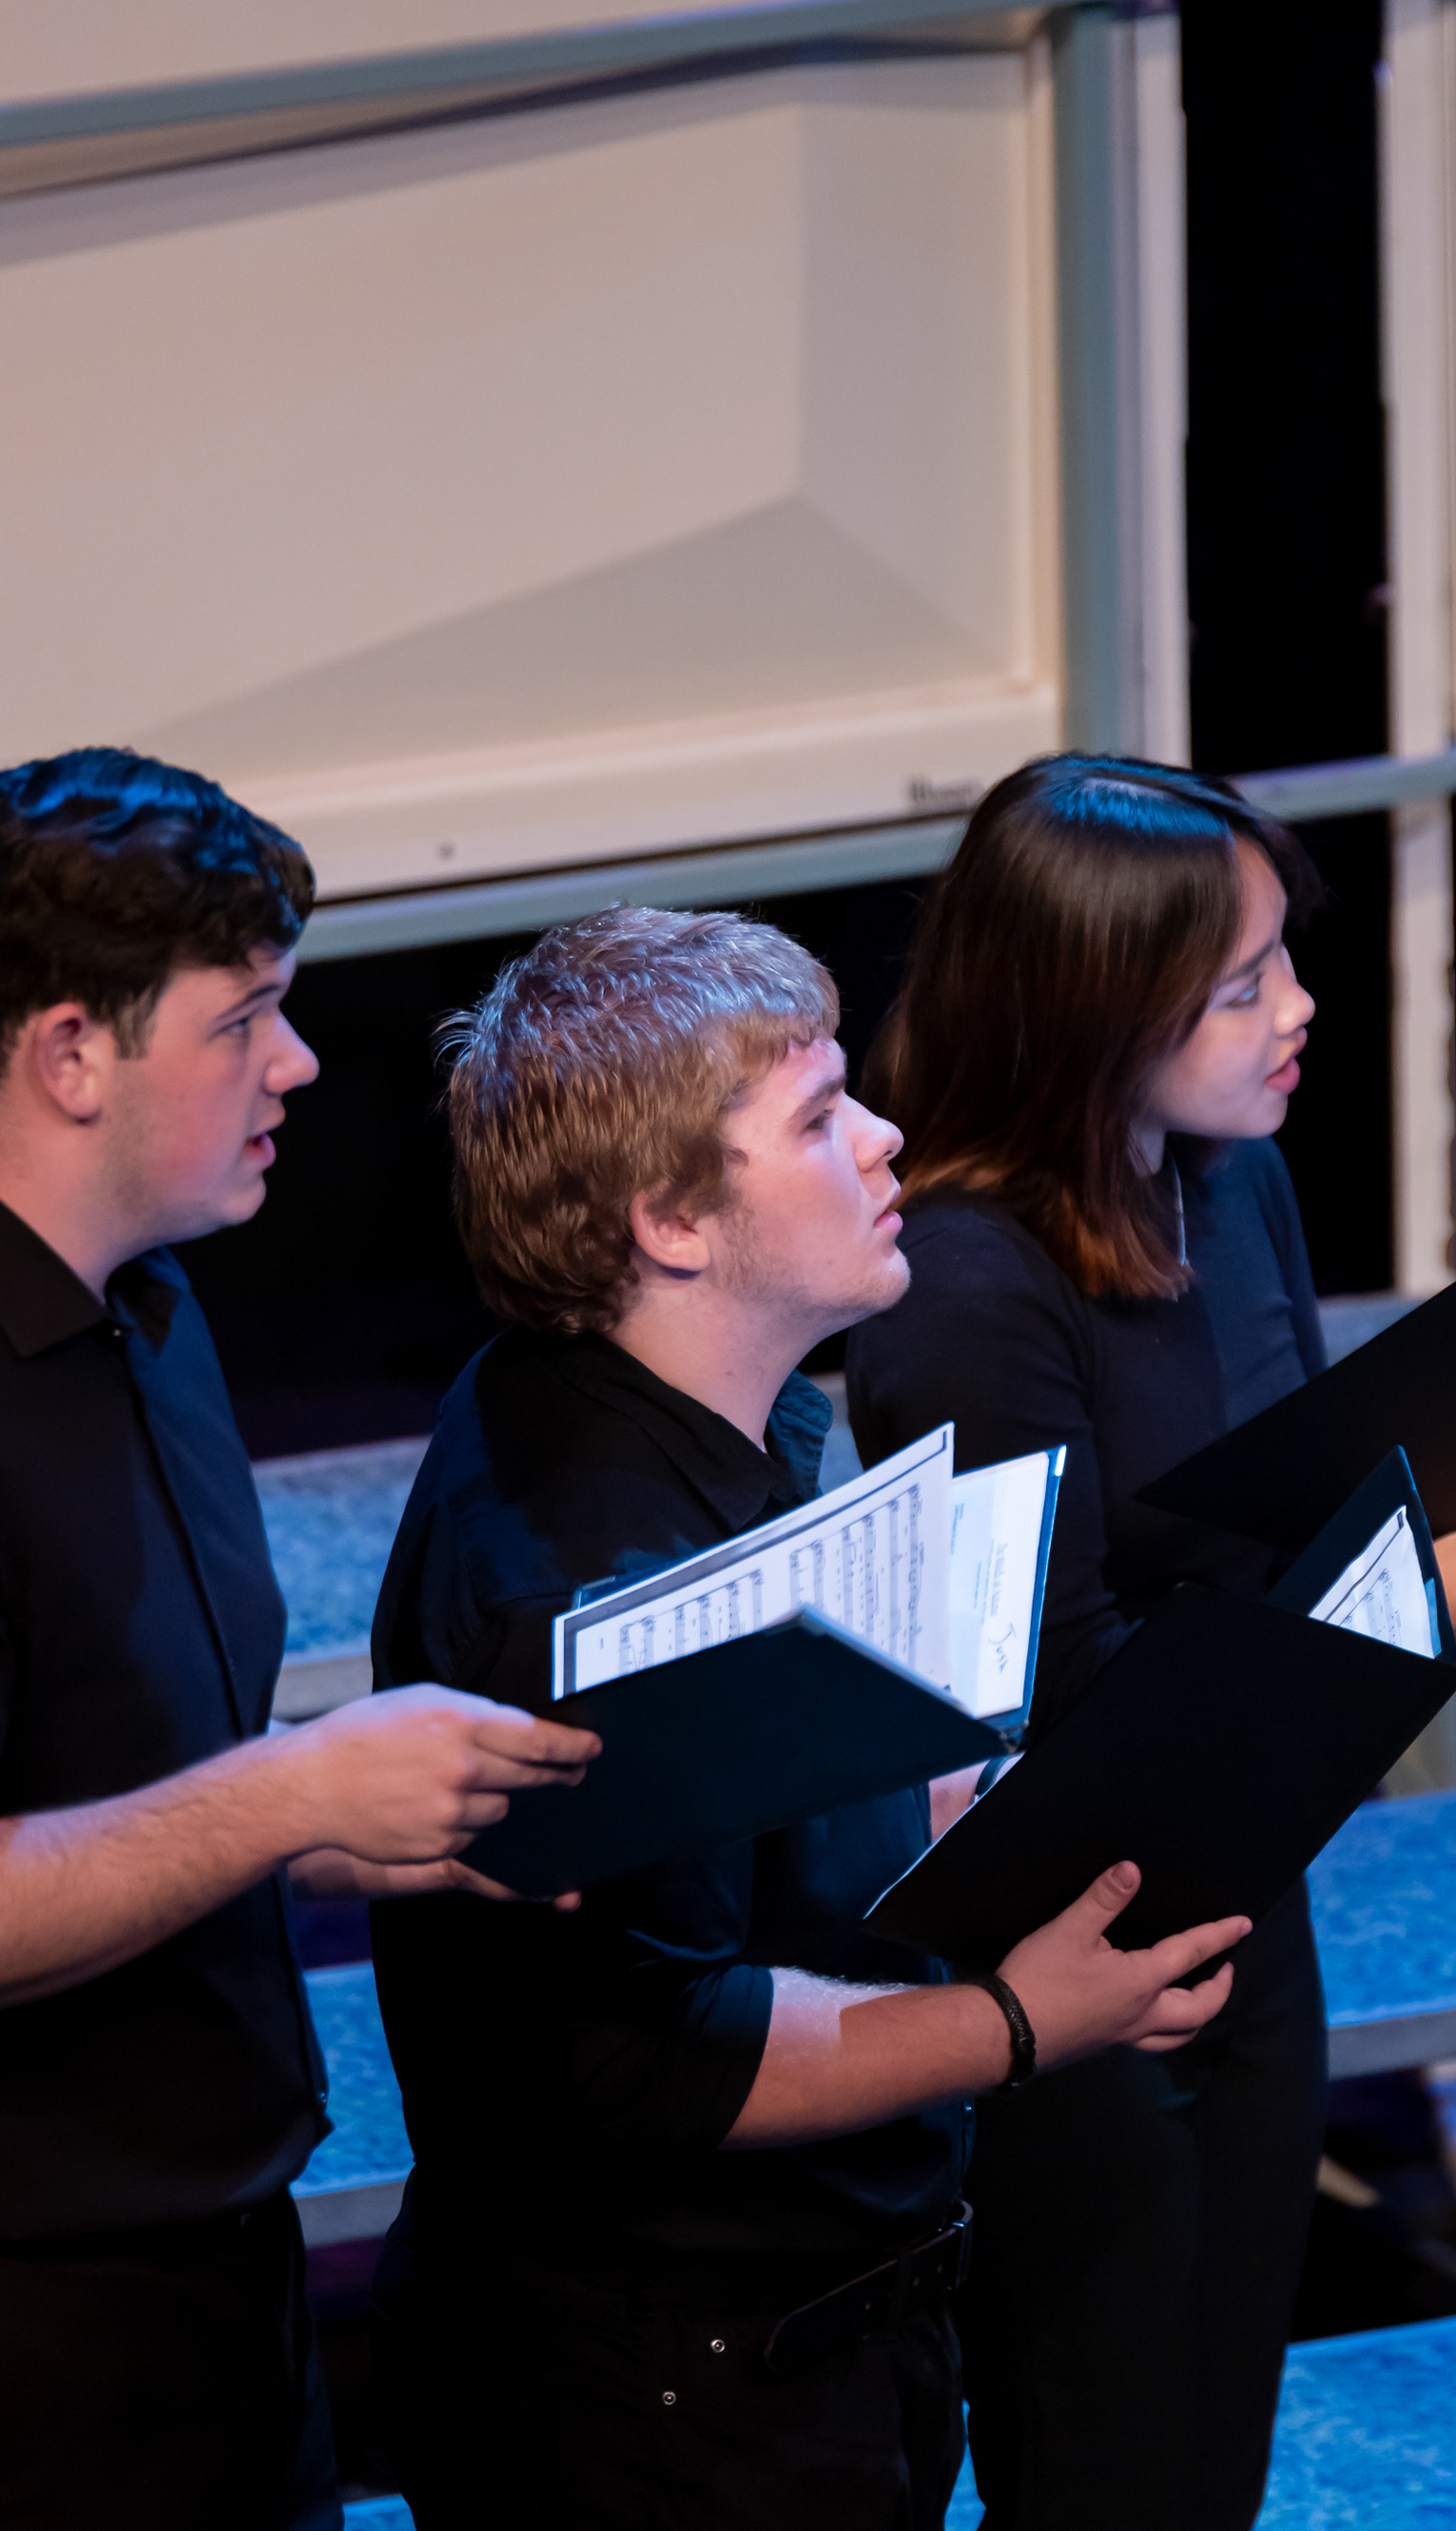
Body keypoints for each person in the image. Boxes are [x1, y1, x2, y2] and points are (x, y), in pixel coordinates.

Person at [366, 903, 1249, 2530]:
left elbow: (780, 1821)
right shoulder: (594, 1587)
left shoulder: (702, 1397)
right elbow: (651, 2054)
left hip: (801, 2350)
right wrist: (1023, 2021)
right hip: (672, 2412)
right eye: (821, 1115)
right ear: (671, 1222)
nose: (886, 1136)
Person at [845, 751, 1456, 2531]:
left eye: (1281, 963)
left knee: (1214, 2459)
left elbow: (1290, 1496)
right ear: (1092, 1013)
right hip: (1078, 1953)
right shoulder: (967, 1288)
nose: (1298, 1010)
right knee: (1106, 2469)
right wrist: (1419, 1600)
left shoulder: (1230, 1175)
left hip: (1249, 1890)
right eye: (1242, 985)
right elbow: (1059, 1700)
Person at [0, 749, 601, 2531]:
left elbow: (131, 1774)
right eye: (245, 1018)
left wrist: (376, 1827)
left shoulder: (153, 1307)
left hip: (224, 2267)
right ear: (71, 1053)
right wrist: (289, 1796)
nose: (300, 1062)